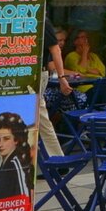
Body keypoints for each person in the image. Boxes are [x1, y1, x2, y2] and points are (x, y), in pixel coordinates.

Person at [36, 16, 70, 158]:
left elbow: (55, 50)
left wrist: (62, 77)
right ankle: (56, 158)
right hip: (22, 72)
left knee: (40, 115)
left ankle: (56, 158)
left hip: (36, 73)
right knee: (40, 117)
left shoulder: (42, 20)